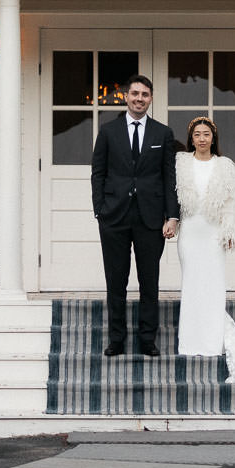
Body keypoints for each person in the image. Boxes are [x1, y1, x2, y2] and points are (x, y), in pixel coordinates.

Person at [174, 116, 235, 383]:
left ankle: (210, 342)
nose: (202, 138)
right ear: (191, 138)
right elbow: (173, 197)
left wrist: (229, 230)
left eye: (206, 134)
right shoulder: (181, 163)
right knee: (192, 285)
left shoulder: (224, 165)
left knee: (213, 285)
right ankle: (191, 342)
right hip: (190, 232)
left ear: (213, 137)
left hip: (213, 232)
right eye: (197, 134)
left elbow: (231, 201)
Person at [89, 73, 179, 357]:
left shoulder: (162, 133)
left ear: (150, 99)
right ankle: (116, 338)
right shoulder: (107, 131)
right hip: (114, 217)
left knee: (149, 281)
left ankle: (147, 340)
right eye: (135, 94)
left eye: (145, 95)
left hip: (150, 218)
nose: (140, 99)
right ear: (126, 96)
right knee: (116, 280)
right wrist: (100, 210)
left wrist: (172, 216)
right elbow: (98, 173)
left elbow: (169, 177)